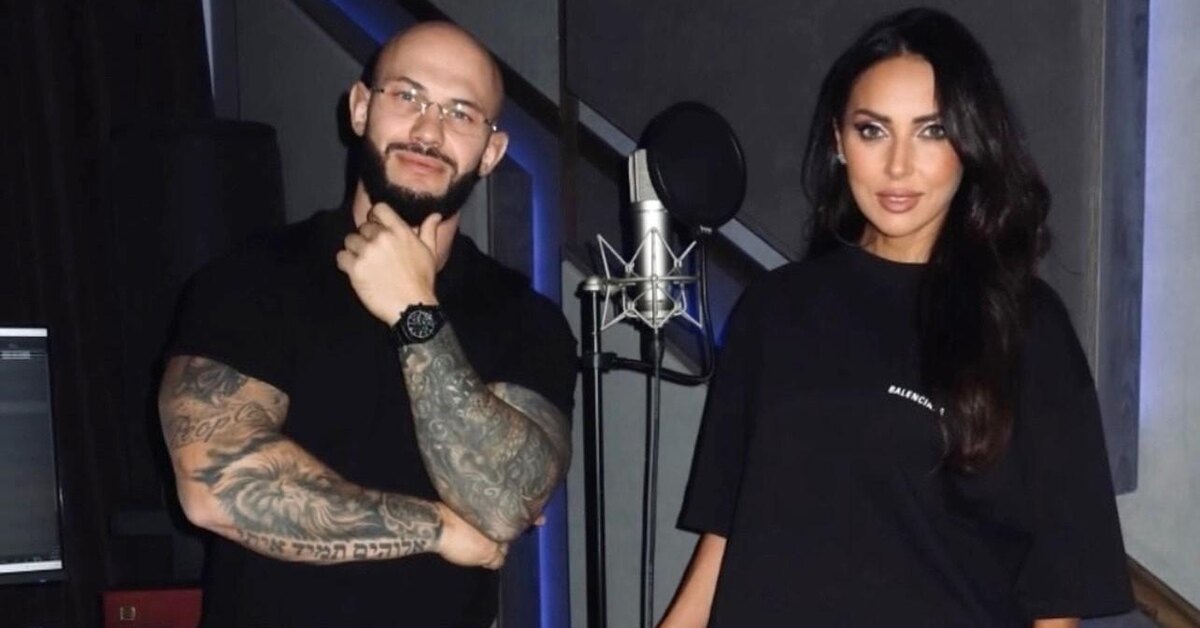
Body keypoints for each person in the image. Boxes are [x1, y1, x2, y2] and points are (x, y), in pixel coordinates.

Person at [660, 8, 1133, 628]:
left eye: (932, 132)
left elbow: (1060, 589)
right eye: (873, 130)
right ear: (839, 141)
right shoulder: (773, 310)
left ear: (970, 145)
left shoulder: (1025, 327)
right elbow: (728, 534)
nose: (899, 166)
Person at [158, 21, 576, 628]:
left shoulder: (527, 319)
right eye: (406, 96)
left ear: (491, 152)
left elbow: (506, 502)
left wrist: (414, 312)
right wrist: (438, 528)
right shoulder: (251, 280)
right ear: (360, 108)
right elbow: (214, 484)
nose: (428, 131)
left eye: (461, 113)